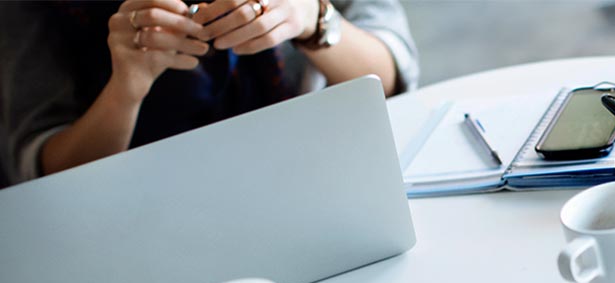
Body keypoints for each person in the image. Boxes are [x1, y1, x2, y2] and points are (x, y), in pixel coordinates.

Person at [0, 0, 418, 186]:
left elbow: (392, 81)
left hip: (312, 176)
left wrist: (314, 18)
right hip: (138, 219)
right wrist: (125, 88)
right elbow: (41, 173)